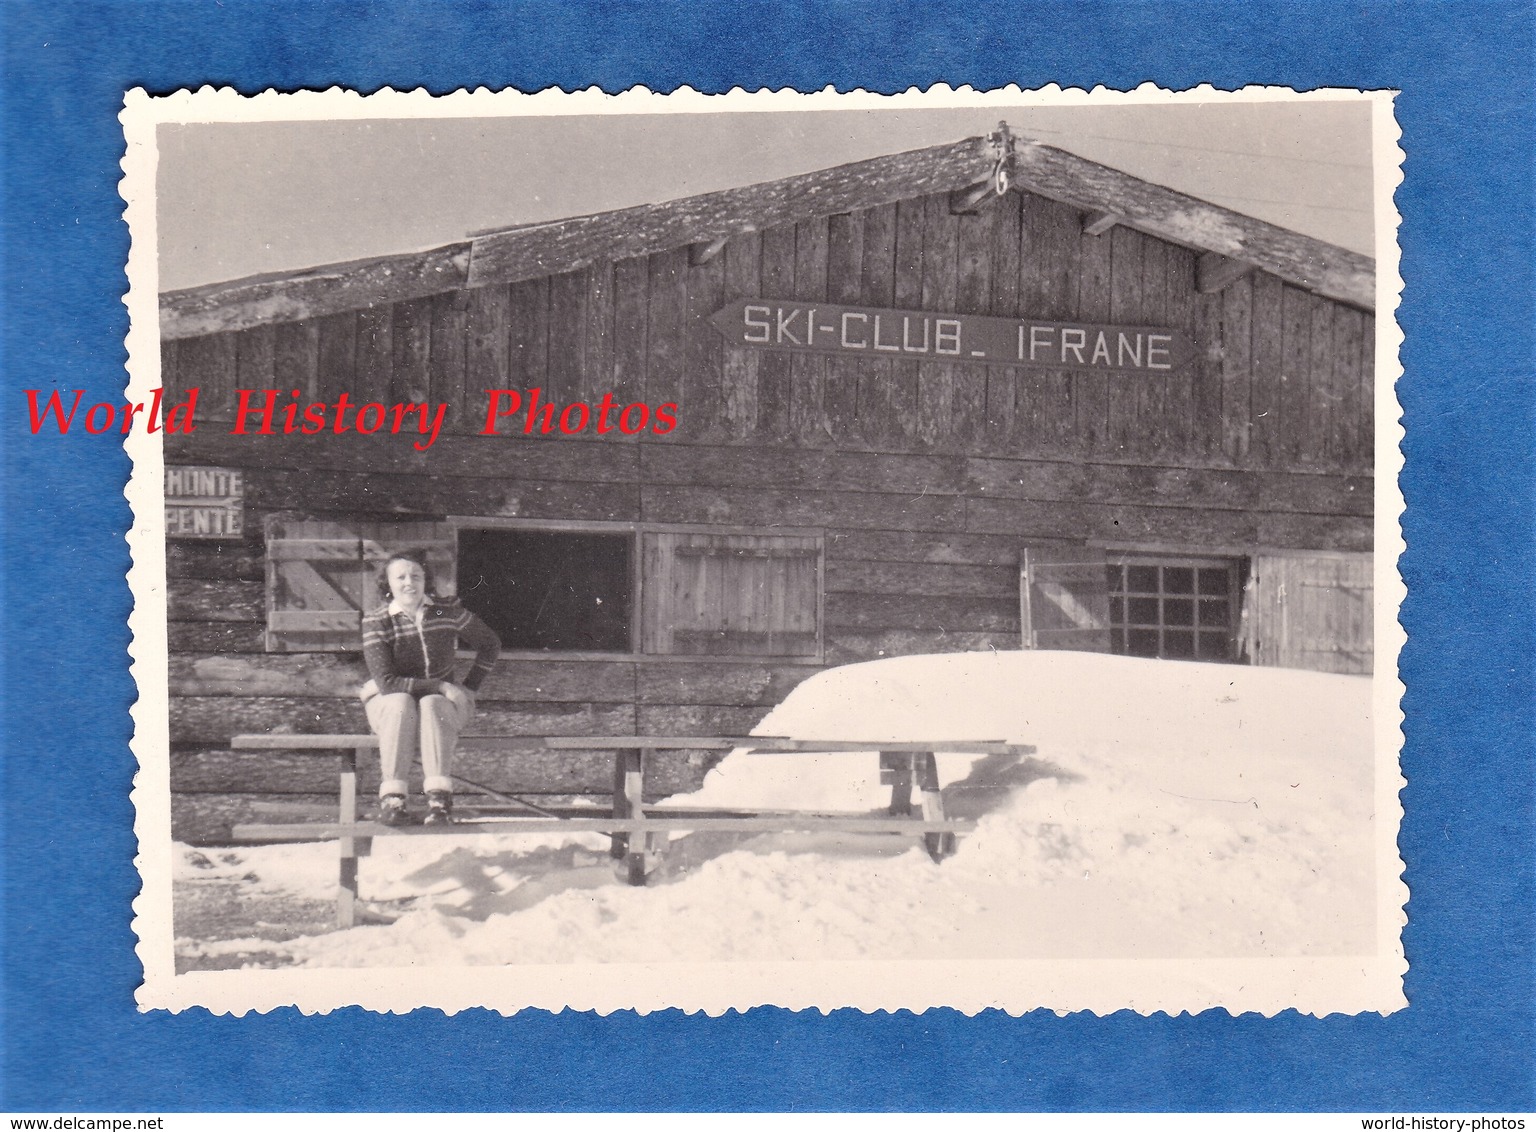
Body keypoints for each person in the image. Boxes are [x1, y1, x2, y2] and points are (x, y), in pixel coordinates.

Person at [359, 551, 501, 826]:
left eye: (416, 576)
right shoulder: (376, 621)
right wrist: (442, 685)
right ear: (387, 584)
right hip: (391, 708)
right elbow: (387, 683)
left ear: (426, 581)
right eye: (400, 577)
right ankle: (393, 800)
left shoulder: (446, 612)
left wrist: (470, 687)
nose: (409, 583)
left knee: (431, 703)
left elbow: (490, 644)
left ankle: (439, 802)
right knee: (401, 702)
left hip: (439, 711)